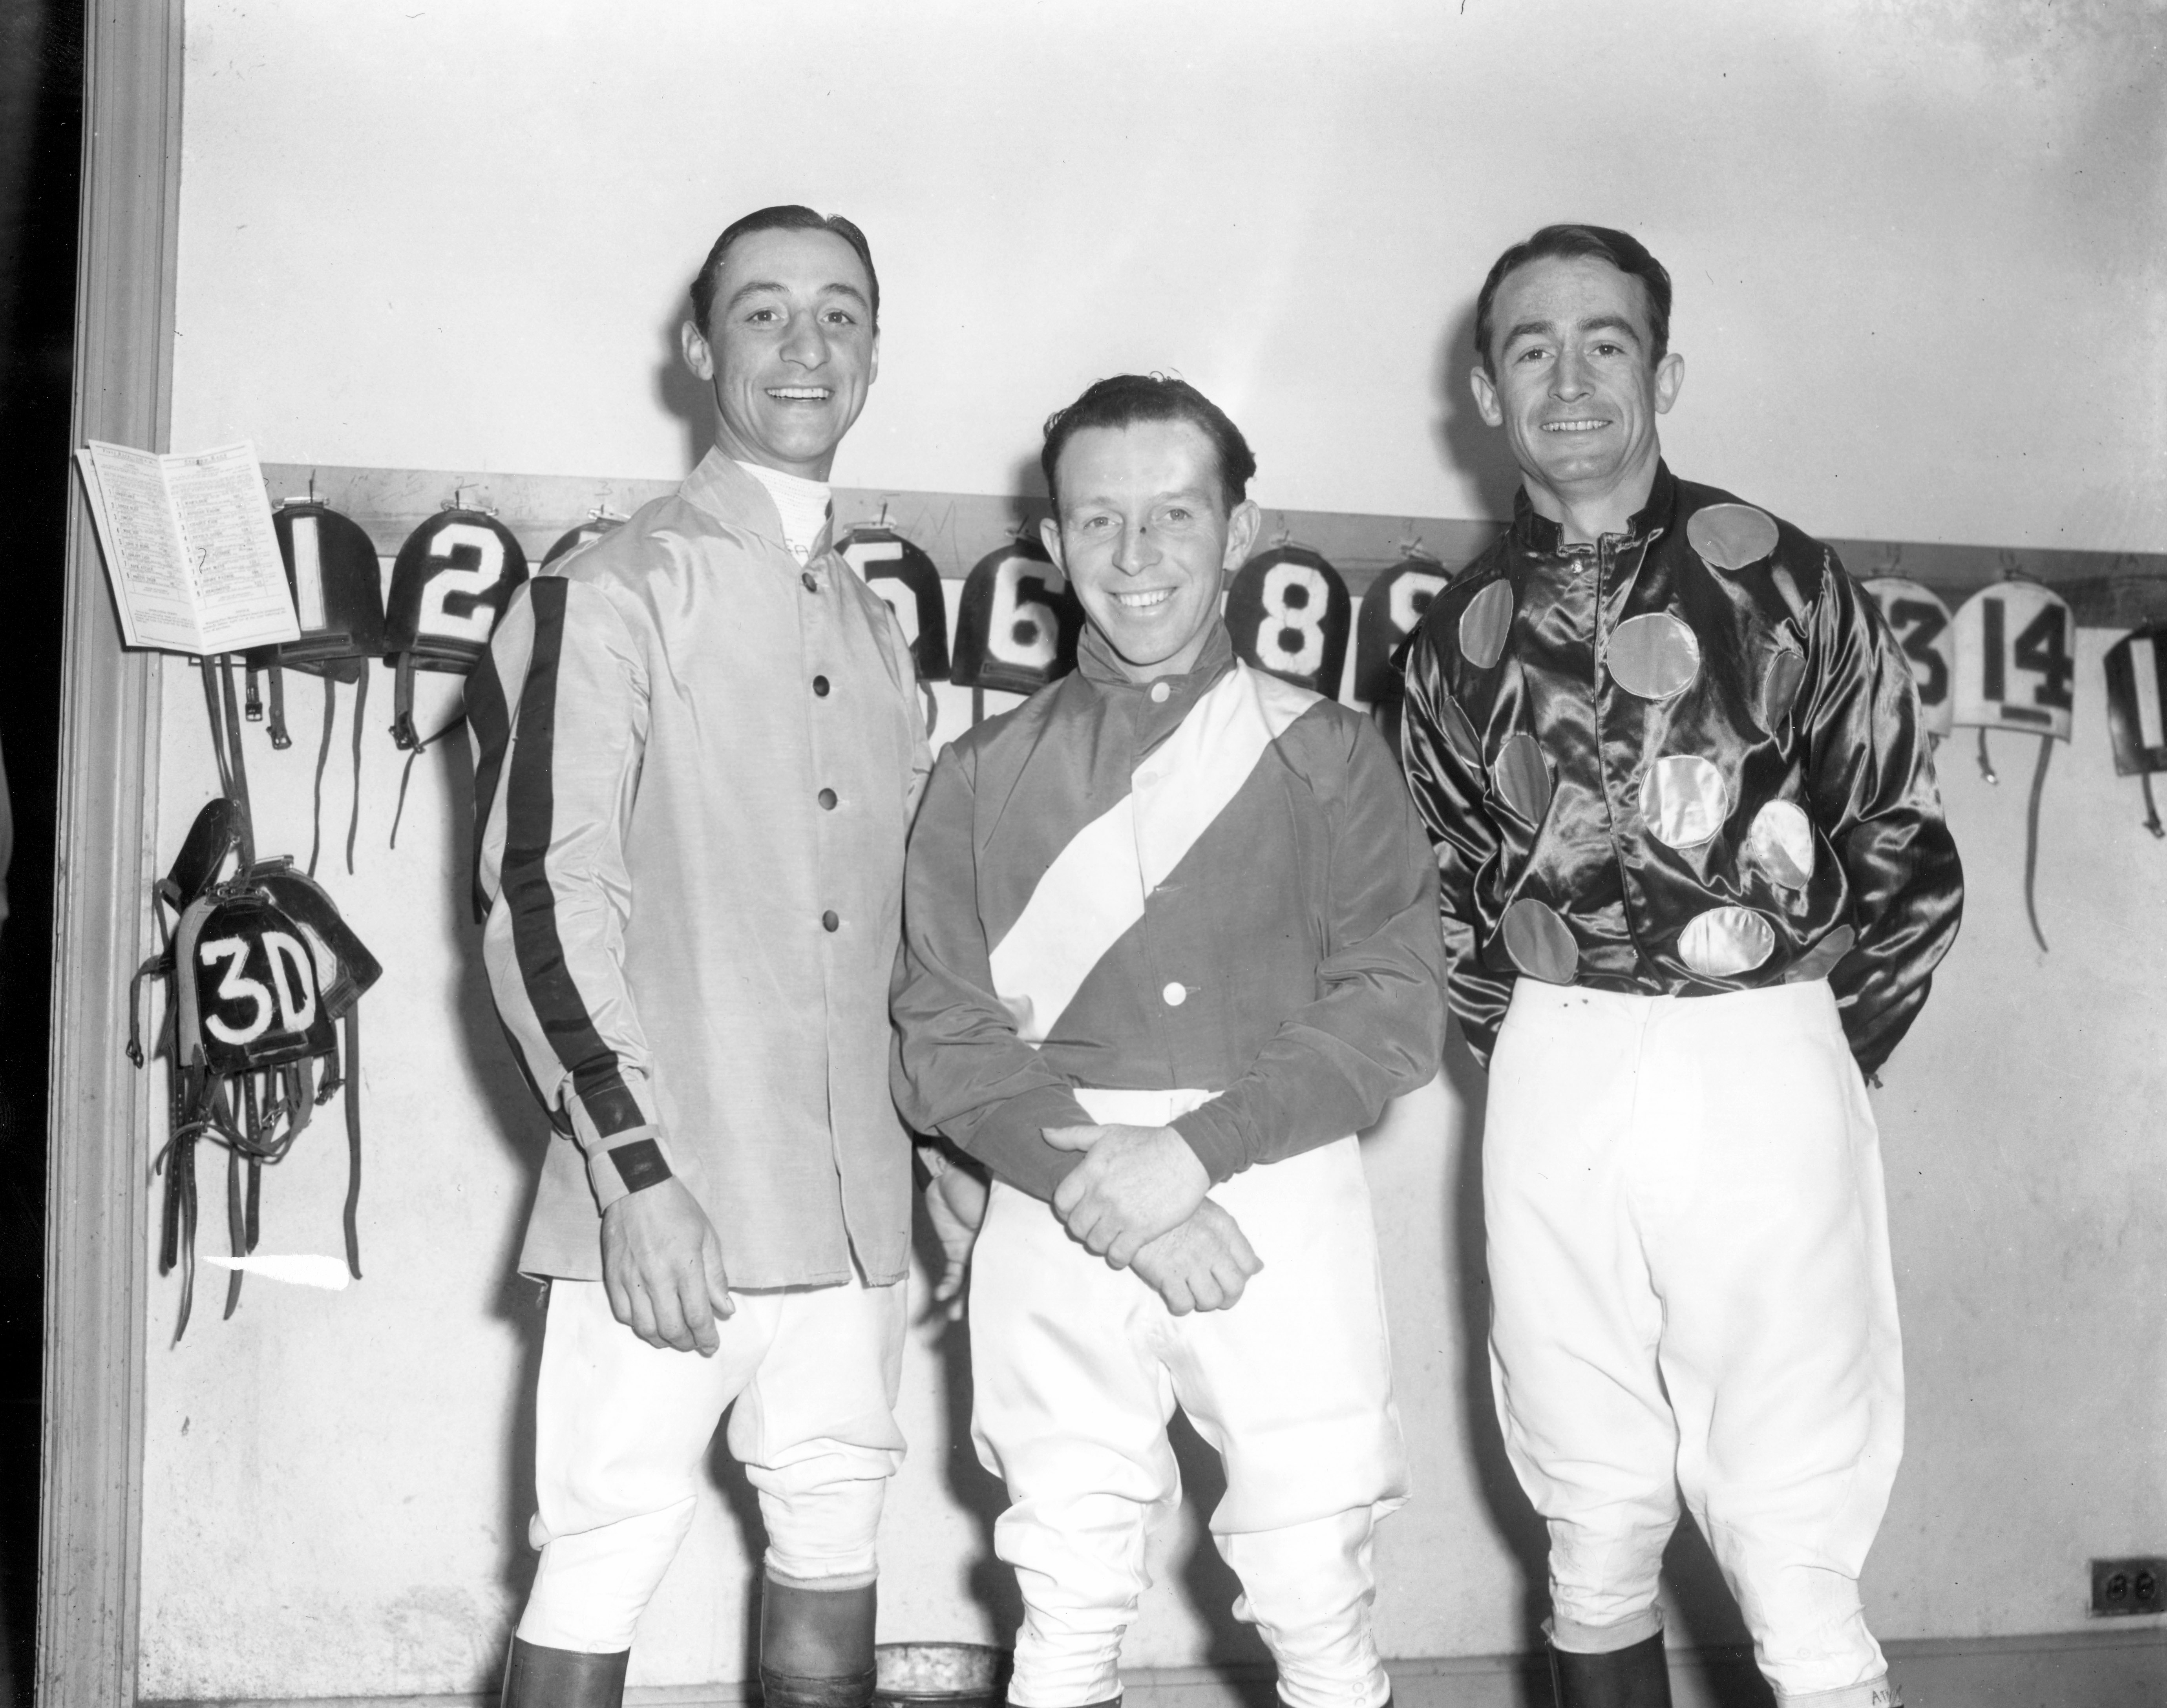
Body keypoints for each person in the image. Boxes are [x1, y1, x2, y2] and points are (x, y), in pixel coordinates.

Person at [1400, 225, 1962, 1708]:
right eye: (1532, 347)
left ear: (1667, 371)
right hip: (1556, 1061)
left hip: (1763, 1051)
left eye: (1608, 343)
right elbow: (1448, 896)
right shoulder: (1452, 641)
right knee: (1589, 1510)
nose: (1570, 377)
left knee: (1789, 1525)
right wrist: (1546, 1046)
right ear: (1483, 385)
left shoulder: (1784, 579)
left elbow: (1900, 840)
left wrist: (1812, 1052)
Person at [893, 375, 1445, 1708]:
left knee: (1317, 1589)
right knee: (1067, 1596)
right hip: (1057, 1185)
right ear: (1052, 541)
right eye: (1098, 522)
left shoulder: (1334, 755)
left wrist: (1194, 1156)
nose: (1134, 559)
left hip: (1273, 1188)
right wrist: (1124, 1196)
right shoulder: (980, 774)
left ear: (1241, 531)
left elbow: (1393, 1008)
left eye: (1173, 516)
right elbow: (943, 1033)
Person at [471, 206, 928, 1708]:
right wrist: (637, 1177)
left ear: (873, 351)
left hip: (858, 1222)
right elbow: (544, 901)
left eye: (841, 314)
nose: (808, 346)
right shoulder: (612, 589)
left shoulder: (878, 633)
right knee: (598, 1564)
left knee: (835, 1560)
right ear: (698, 346)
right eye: (765, 312)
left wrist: (961, 1179)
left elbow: (913, 945)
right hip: (665, 1210)